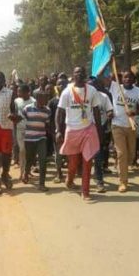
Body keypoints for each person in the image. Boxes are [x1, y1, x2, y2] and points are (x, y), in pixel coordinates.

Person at [56, 66, 102, 201]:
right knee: (74, 162)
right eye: (77, 72)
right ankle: (69, 180)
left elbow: (97, 111)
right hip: (72, 130)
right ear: (73, 75)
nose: (79, 74)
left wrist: (100, 131)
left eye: (82, 72)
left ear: (86, 75)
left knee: (87, 161)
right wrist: (59, 130)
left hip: (88, 129)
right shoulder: (67, 91)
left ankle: (85, 191)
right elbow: (60, 112)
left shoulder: (92, 90)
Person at [110, 71, 139, 192]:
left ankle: (122, 166)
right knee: (122, 153)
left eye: (130, 77)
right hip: (117, 125)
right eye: (125, 77)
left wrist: (134, 112)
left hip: (131, 126)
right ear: (122, 78)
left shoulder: (138, 91)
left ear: (134, 79)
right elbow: (101, 77)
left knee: (131, 155)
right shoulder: (115, 87)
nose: (128, 79)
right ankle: (123, 182)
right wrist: (109, 60)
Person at [22, 91, 52, 191]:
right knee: (30, 159)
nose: (45, 100)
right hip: (29, 138)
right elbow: (22, 120)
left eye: (46, 99)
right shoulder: (27, 108)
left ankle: (41, 184)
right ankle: (26, 173)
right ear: (38, 98)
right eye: (43, 98)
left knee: (42, 160)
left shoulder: (47, 110)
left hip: (41, 138)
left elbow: (47, 125)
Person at [92, 77, 114, 193]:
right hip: (86, 129)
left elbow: (110, 109)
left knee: (98, 156)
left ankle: (99, 181)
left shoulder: (104, 97)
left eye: (95, 84)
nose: (93, 87)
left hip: (100, 129)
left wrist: (110, 113)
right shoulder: (85, 97)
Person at [49, 76, 69, 183]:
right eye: (60, 84)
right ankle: (59, 174)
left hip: (70, 131)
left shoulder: (71, 99)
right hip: (58, 132)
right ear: (56, 86)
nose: (62, 86)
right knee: (58, 154)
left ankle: (70, 176)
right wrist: (53, 132)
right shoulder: (53, 102)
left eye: (64, 84)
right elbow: (49, 118)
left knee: (70, 155)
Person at [13, 84, 35, 181]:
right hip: (20, 129)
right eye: (17, 91)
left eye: (20, 91)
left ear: (27, 92)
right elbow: (15, 113)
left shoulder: (33, 101)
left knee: (29, 152)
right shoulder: (17, 101)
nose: (18, 93)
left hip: (31, 129)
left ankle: (27, 170)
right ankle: (22, 172)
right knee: (22, 150)